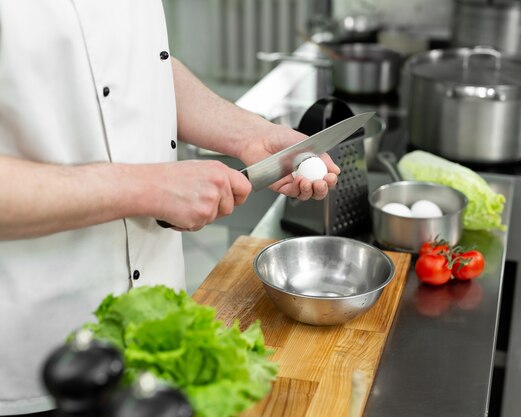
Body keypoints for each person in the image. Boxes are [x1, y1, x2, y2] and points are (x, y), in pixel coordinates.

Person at [0, 1, 339, 415]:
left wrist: (250, 135)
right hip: (37, 353)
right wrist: (143, 187)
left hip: (158, 328)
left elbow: (134, 63)